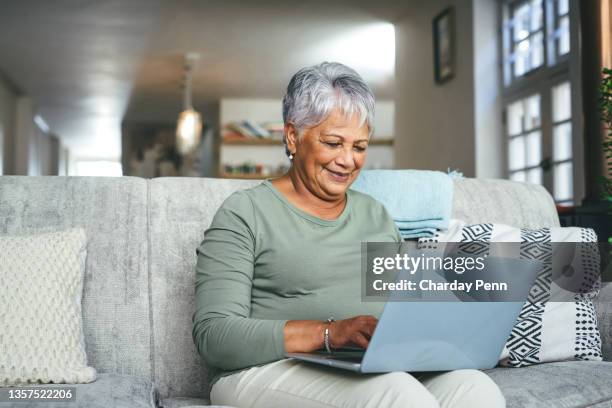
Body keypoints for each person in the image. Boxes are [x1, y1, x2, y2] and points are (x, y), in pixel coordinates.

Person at [192, 62, 505, 408]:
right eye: (333, 143)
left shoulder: (375, 215)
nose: (347, 160)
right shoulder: (245, 213)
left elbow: (399, 307)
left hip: (362, 367)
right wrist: (330, 333)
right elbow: (214, 335)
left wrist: (458, 323)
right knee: (398, 395)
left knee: (476, 389)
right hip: (262, 370)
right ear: (293, 136)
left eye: (359, 147)